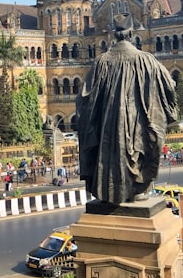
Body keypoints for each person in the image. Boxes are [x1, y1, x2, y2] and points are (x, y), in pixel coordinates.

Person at [76, 13, 177, 204]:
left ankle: (108, 190)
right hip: (139, 124)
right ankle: (137, 188)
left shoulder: (101, 62)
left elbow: (84, 99)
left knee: (109, 151)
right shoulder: (147, 60)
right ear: (131, 33)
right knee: (139, 149)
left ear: (114, 34)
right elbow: (170, 86)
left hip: (108, 128)